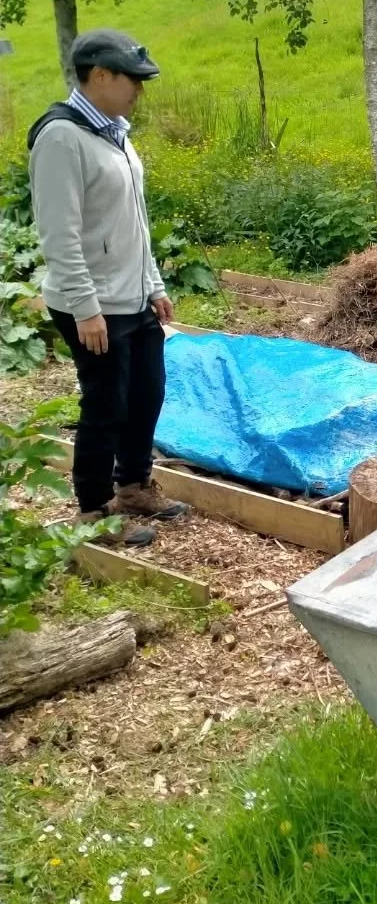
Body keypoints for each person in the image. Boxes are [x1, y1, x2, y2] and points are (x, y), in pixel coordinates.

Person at [27, 28, 188, 546]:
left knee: (148, 393)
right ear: (99, 76)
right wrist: (84, 308)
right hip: (92, 302)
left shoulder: (114, 131)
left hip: (132, 295)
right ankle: (93, 512)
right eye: (132, 80)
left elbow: (132, 220)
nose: (139, 90)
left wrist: (154, 283)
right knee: (106, 404)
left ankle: (135, 486)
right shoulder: (61, 137)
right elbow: (60, 231)